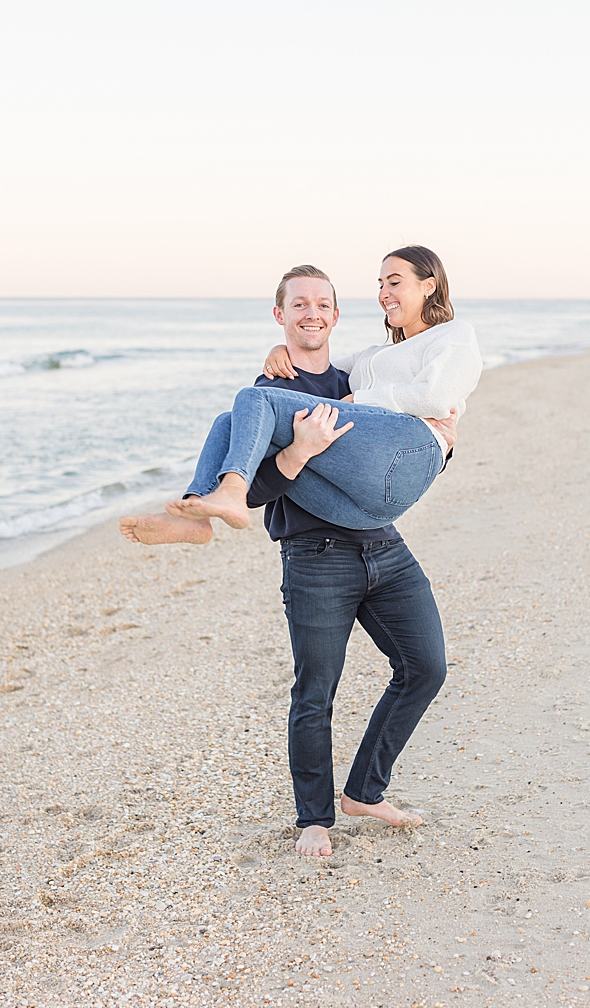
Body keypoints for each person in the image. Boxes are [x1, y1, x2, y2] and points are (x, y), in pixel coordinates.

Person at [122, 263, 457, 856]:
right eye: (298, 305)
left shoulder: (362, 376)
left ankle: (365, 791)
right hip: (315, 555)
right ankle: (314, 819)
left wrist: (442, 439)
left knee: (426, 667)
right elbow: (252, 495)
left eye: (322, 304)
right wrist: (299, 453)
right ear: (281, 315)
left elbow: (398, 450)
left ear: (335, 313)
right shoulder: (266, 390)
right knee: (315, 691)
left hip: (383, 544)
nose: (311, 314)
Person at [164, 247, 481, 535]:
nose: (384, 293)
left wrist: (360, 399)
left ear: (429, 286)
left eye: (394, 282)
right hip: (362, 508)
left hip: (407, 462)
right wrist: (279, 350)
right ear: (281, 314)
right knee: (229, 420)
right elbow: (320, 364)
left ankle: (231, 490)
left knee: (253, 398)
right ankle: (194, 515)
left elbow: (437, 399)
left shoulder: (454, 334)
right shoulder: (374, 355)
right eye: (381, 284)